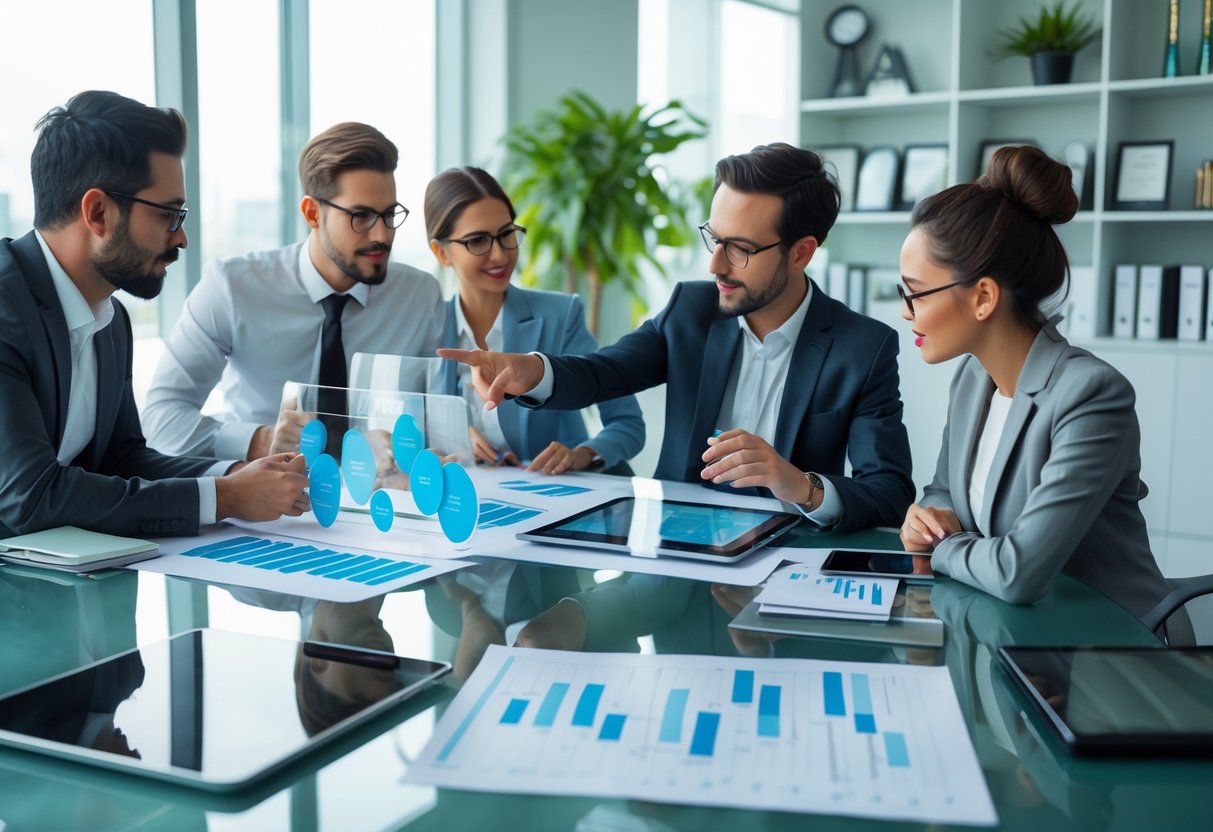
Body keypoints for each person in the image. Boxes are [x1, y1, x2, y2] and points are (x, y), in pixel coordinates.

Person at [440, 142, 915, 650]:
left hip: (786, 578)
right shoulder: (692, 309)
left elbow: (888, 490)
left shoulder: (861, 347)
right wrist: (530, 369)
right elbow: (607, 371)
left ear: (801, 252)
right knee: (538, 640)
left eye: (740, 248)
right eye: (714, 237)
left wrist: (797, 483)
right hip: (670, 566)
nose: (715, 263)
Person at [896, 145, 1192, 643]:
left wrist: (942, 548)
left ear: (984, 297)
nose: (906, 312)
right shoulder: (972, 379)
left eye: (915, 293)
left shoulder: (1091, 395)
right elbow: (943, 490)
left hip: (1110, 657)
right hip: (1015, 636)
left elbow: (1019, 571)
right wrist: (927, 518)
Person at [0, 90, 307, 539]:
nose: (181, 239)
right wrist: (227, 496)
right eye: (168, 215)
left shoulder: (111, 320)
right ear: (98, 211)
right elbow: (29, 495)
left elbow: (122, 459)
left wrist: (241, 473)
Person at [142, 121, 444, 462]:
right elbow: (160, 420)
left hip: (385, 495)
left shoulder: (419, 297)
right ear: (312, 213)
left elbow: (437, 415)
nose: (382, 236)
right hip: (265, 497)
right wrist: (259, 440)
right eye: (361, 216)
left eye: (389, 214)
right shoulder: (232, 287)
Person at [426, 165, 645, 473]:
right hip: (464, 507)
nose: (500, 255)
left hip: (556, 503)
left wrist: (581, 454)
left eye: (506, 234)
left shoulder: (560, 316)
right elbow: (404, 421)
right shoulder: (428, 326)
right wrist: (450, 438)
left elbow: (628, 422)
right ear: (441, 253)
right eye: (477, 241)